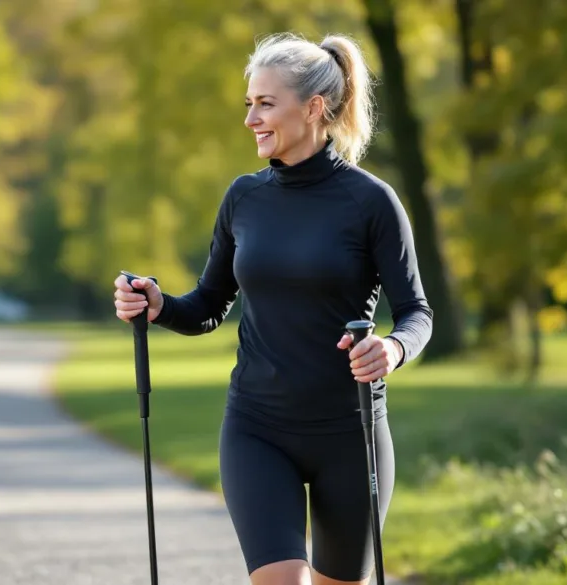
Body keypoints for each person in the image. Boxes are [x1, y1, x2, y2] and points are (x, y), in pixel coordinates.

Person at [112, 31, 433, 585]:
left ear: (313, 108)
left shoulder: (371, 201)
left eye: (265, 104)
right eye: (249, 104)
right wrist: (159, 306)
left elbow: (417, 312)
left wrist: (393, 348)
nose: (251, 119)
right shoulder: (244, 197)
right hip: (258, 427)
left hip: (349, 432)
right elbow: (210, 305)